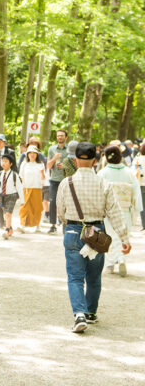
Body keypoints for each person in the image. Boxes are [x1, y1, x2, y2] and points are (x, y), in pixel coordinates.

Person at [56, 142, 132, 333]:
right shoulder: (103, 183)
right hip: (97, 233)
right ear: (95, 161)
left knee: (75, 277)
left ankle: (79, 314)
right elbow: (114, 213)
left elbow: (60, 212)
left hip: (74, 230)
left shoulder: (67, 183)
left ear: (75, 160)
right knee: (94, 277)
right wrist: (124, 238)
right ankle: (90, 312)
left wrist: (70, 224)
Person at [97, 145, 141, 277]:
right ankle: (121, 258)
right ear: (120, 157)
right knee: (123, 235)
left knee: (110, 236)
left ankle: (110, 264)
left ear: (106, 157)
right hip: (125, 209)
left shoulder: (102, 173)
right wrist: (137, 207)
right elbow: (136, 191)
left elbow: (97, 192)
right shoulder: (129, 172)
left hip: (108, 210)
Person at [18, 145, 45, 233]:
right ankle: (22, 224)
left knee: (37, 207)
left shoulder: (40, 164)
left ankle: (37, 225)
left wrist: (42, 174)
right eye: (30, 153)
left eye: (34, 153)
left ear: (37, 155)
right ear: (28, 154)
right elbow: (21, 176)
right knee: (24, 206)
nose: (32, 155)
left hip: (37, 188)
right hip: (26, 188)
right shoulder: (24, 164)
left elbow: (44, 178)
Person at [46, 130, 69, 234]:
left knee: (66, 203)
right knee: (53, 201)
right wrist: (54, 158)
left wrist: (64, 166)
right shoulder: (51, 149)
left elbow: (74, 165)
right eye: (58, 136)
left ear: (66, 137)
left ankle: (65, 224)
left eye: (62, 136)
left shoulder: (69, 150)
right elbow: (48, 166)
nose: (60, 137)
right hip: (54, 179)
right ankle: (52, 225)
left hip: (66, 180)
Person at [0, 153, 23, 240]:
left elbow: (19, 187)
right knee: (5, 214)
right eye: (2, 161)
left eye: (6, 161)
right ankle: (10, 228)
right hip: (3, 196)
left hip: (12, 195)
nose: (3, 163)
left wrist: (22, 200)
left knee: (8, 213)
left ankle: (6, 230)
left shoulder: (14, 175)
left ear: (11, 164)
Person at [131, 142, 145, 230]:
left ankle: (144, 224)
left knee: (143, 204)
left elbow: (134, 171)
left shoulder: (138, 159)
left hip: (141, 183)